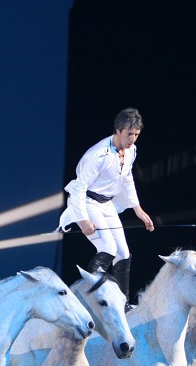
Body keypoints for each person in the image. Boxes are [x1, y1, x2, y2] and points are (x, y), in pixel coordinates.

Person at [58, 107, 154, 310]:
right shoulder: (97, 155)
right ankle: (90, 301)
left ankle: (123, 304)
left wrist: (138, 210)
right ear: (118, 130)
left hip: (106, 204)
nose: (133, 139)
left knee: (123, 253)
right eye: (129, 134)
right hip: (87, 203)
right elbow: (79, 188)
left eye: (136, 135)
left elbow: (127, 179)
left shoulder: (131, 152)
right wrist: (83, 221)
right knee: (108, 248)